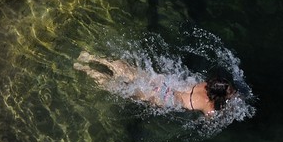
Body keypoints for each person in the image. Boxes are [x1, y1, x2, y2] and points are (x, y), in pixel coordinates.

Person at [74, 53, 237, 115]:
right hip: (165, 99)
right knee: (119, 88)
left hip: (166, 83)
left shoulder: (204, 84)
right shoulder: (209, 107)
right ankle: (85, 69)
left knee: (130, 72)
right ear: (217, 96)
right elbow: (211, 123)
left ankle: (90, 58)